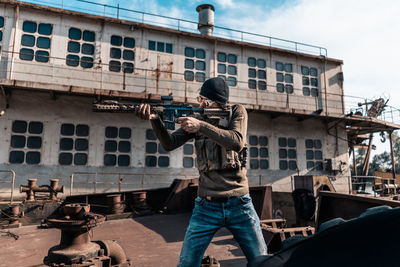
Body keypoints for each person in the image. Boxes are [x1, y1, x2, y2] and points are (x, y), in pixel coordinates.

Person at [135, 77, 267, 266]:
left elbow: (237, 141)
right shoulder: (198, 118)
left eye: (205, 100)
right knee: (187, 264)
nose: (201, 104)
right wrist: (155, 120)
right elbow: (169, 143)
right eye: (200, 99)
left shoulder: (236, 111)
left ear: (218, 102)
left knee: (262, 261)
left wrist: (201, 126)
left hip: (240, 204)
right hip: (206, 206)